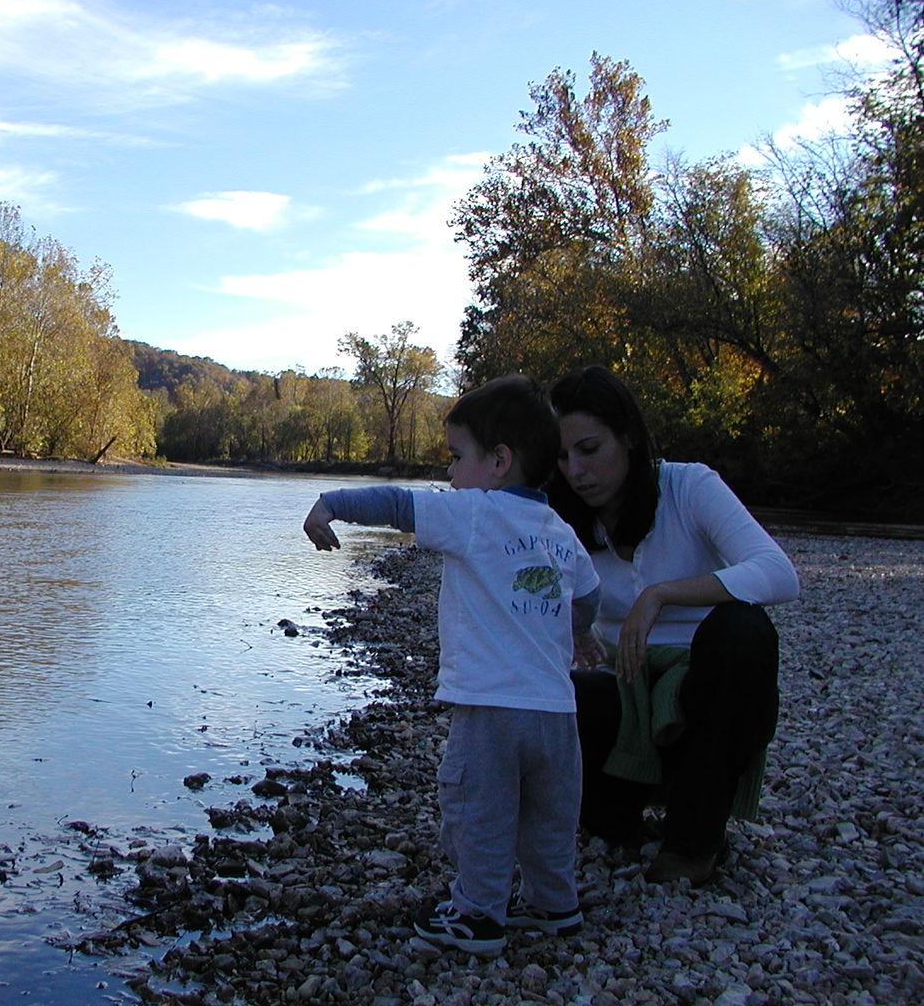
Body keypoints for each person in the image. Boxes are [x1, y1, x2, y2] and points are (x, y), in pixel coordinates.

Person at [303, 375, 601, 957]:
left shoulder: (474, 513)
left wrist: (330, 504)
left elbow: (396, 506)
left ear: (498, 461)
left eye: (456, 457)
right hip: (557, 713)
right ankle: (553, 904)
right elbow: (588, 595)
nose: (449, 474)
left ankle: (478, 913)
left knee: (479, 813)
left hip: (490, 711)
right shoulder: (561, 532)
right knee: (550, 816)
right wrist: (581, 633)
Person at [546, 365, 800, 886]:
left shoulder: (688, 487)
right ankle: (621, 809)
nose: (575, 470)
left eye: (589, 450)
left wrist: (660, 595)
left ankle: (694, 842)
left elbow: (779, 573)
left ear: (630, 438)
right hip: (622, 697)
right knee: (560, 696)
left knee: (743, 630)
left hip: (705, 701)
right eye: (562, 455)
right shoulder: (560, 518)